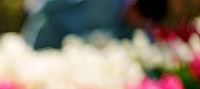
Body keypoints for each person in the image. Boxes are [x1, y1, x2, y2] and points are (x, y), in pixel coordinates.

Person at [22, 0, 168, 49]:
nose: (139, 27)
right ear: (134, 6)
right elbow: (45, 7)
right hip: (46, 38)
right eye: (140, 21)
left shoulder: (134, 28)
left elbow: (148, 43)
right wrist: (37, 7)